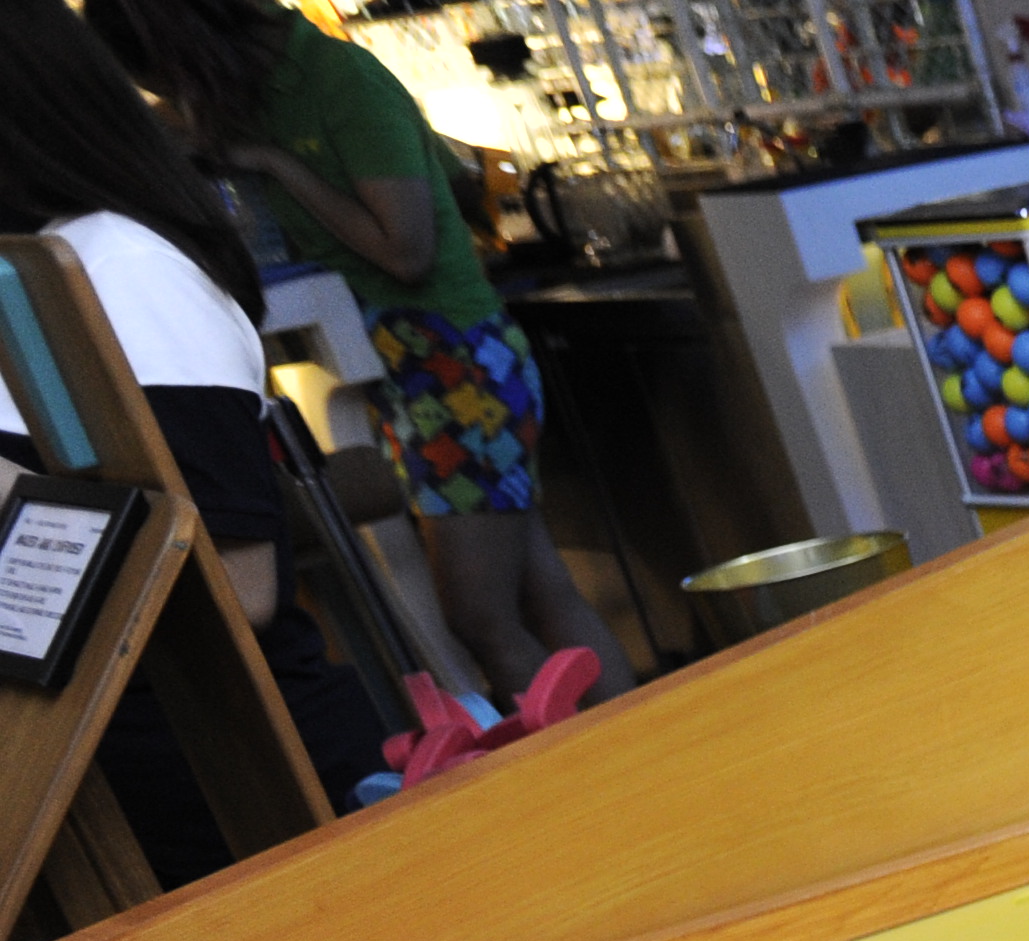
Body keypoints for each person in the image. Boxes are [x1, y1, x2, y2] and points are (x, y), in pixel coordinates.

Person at [89, 0, 634, 709]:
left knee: (480, 615)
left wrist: (277, 165)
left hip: (458, 365)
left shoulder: (341, 81)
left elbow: (407, 252)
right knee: (539, 589)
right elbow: (452, 183)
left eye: (165, 77)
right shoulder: (269, 93)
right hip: (432, 366)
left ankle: (587, 758)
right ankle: (635, 742)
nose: (172, 94)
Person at [0, 0, 385, 879]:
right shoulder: (38, 263)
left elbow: (235, 585)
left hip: (233, 796)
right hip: (113, 788)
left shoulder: (121, 269)